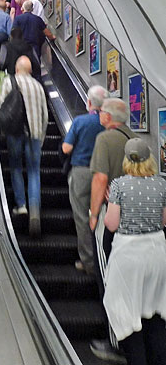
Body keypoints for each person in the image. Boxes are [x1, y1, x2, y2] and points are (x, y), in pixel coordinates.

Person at [103, 138, 166, 365]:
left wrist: (110, 203)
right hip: (157, 254)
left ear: (127, 159)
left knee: (128, 316)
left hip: (128, 256)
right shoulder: (162, 184)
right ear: (149, 158)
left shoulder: (119, 185)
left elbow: (111, 224)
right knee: (155, 314)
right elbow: (164, 221)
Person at [89, 98, 137, 363]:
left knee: (108, 277)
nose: (98, 115)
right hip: (136, 221)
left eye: (101, 112)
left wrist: (94, 214)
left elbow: (100, 179)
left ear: (108, 117)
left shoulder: (105, 139)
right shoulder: (135, 140)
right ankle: (133, 340)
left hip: (111, 218)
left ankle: (116, 343)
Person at [0, 56, 48, 236]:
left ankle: (21, 206)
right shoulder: (38, 86)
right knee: (34, 171)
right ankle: (35, 210)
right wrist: (41, 137)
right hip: (35, 134)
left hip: (15, 132)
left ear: (16, 68)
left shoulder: (9, 81)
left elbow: (2, 106)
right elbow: (45, 115)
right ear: (30, 70)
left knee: (15, 167)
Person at [62, 85, 108, 274]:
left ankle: (88, 262)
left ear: (88, 102)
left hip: (81, 172)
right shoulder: (107, 123)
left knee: (82, 217)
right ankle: (104, 261)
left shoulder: (80, 121)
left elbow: (66, 148)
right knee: (102, 216)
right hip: (103, 173)